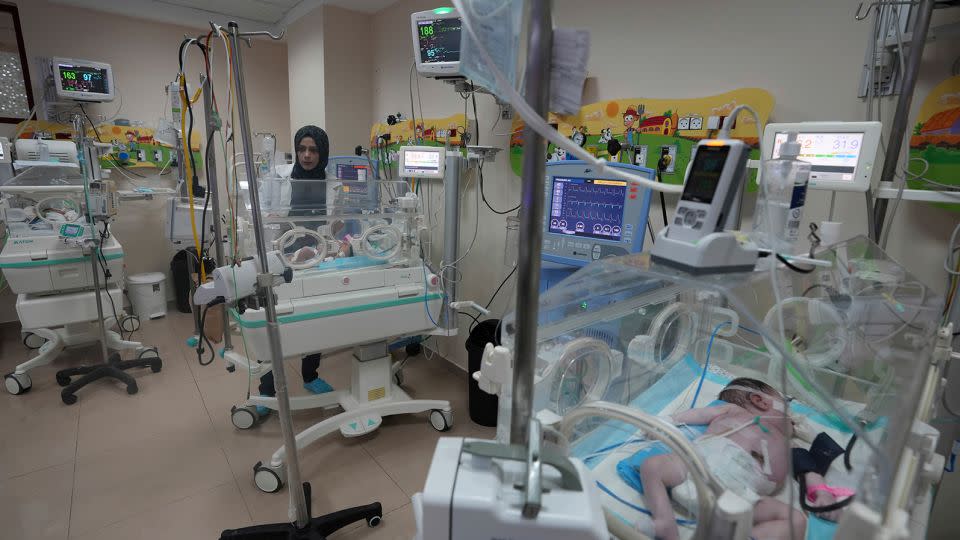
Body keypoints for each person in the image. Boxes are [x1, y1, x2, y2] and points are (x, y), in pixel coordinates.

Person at [637, 378, 792, 540]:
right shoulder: (734, 411)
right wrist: (667, 421)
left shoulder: (786, 442)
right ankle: (664, 523)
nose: (792, 418)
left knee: (796, 520)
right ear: (760, 401)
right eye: (787, 408)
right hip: (701, 468)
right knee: (653, 466)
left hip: (743, 496)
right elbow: (699, 414)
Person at [257, 125, 334, 409]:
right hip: (282, 255)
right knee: (274, 321)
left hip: (315, 255)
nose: (306, 155)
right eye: (302, 148)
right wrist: (271, 217)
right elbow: (263, 213)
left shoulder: (331, 182)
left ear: (322, 152)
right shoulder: (279, 178)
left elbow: (334, 220)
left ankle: (310, 375)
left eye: (313, 149)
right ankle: (266, 388)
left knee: (315, 316)